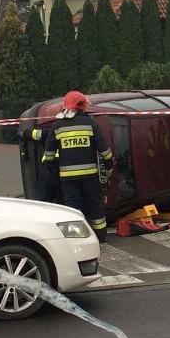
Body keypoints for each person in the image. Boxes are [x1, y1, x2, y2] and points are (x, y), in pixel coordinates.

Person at [43, 91, 115, 242]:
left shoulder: (57, 126)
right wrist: (109, 165)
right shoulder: (91, 124)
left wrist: (51, 171)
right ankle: (100, 236)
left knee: (72, 207)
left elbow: (49, 154)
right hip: (90, 176)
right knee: (94, 203)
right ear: (82, 105)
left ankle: (75, 238)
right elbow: (104, 149)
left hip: (68, 178)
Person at [20, 127, 63, 203]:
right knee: (63, 199)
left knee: (44, 200)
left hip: (48, 168)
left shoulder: (55, 128)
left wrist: (24, 133)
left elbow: (38, 134)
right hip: (65, 169)